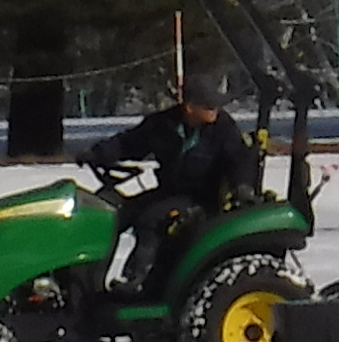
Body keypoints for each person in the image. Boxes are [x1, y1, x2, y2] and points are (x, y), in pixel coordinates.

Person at [93, 68, 260, 293]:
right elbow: (130, 142)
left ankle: (140, 281)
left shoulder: (223, 129)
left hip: (202, 199)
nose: (216, 110)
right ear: (189, 107)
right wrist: (98, 153)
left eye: (216, 105)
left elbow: (240, 160)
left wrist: (243, 186)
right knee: (112, 213)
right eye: (209, 106)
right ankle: (89, 286)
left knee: (150, 219)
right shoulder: (165, 124)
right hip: (169, 192)